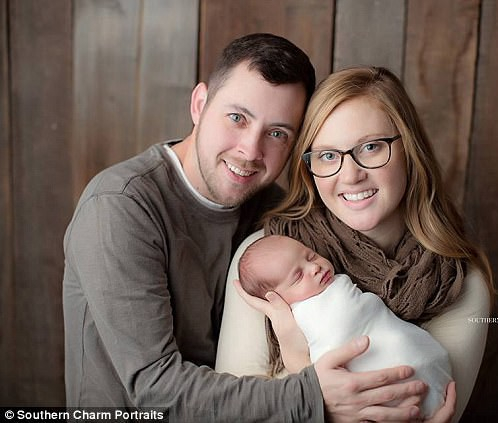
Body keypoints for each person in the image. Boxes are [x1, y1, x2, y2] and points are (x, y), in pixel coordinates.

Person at [63, 34, 431, 422]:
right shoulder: (120, 206)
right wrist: (312, 396)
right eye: (237, 118)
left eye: (277, 133)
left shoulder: (276, 215)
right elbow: (155, 390)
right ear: (199, 104)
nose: (251, 151)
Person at [216, 66, 494, 422]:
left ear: (409, 149)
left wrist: (300, 371)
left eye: (371, 147)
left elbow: (438, 409)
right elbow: (233, 413)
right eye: (328, 155)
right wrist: (307, 380)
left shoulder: (458, 281)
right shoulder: (268, 257)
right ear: (310, 169)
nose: (351, 175)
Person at [239, 234, 454, 419]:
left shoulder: (335, 282)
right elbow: (324, 360)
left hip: (423, 361)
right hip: (389, 395)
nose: (314, 267)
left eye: (310, 256)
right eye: (298, 276)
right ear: (276, 298)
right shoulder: (302, 316)